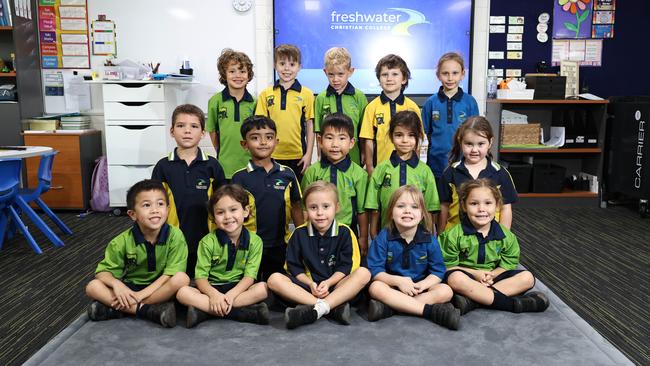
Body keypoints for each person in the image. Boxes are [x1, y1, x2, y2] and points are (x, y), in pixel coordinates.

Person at [85, 179, 189, 328]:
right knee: (93, 286)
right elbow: (103, 272)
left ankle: (120, 309)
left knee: (181, 279)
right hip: (130, 289)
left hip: (160, 289)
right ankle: (146, 311)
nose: (155, 210)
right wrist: (117, 285)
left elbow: (170, 275)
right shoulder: (121, 241)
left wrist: (140, 296)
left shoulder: (176, 236)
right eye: (147, 205)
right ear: (132, 214)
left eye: (160, 204)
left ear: (168, 209)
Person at [267, 181, 370, 329]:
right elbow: (293, 267)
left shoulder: (345, 232)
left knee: (363, 273)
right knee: (274, 279)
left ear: (337, 207)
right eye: (313, 207)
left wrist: (328, 283)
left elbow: (347, 266)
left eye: (326, 207)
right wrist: (310, 284)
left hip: (336, 286)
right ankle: (330, 308)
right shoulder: (299, 234)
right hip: (308, 288)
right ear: (306, 210)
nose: (320, 213)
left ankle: (316, 309)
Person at [439, 178, 549, 315]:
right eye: (474, 203)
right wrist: (476, 274)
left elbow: (508, 264)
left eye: (488, 203)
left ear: (497, 205)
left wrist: (491, 275)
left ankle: (473, 301)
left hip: (493, 278)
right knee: (455, 279)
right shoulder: (453, 235)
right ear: (464, 206)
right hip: (467, 278)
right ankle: (513, 304)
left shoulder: (506, 236)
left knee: (527, 278)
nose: (481, 209)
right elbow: (447, 266)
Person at [366, 185, 459, 330]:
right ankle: (429, 312)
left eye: (414, 207)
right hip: (394, 287)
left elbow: (437, 271)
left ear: (422, 214)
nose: (407, 211)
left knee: (446, 291)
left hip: (419, 288)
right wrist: (398, 281)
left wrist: (424, 285)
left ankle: (391, 308)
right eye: (401, 206)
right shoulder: (383, 237)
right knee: (375, 288)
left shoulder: (429, 239)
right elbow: (375, 271)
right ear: (391, 212)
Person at [176, 184, 269, 328]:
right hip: (211, 288)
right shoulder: (207, 242)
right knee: (182, 293)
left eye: (233, 210)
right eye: (220, 212)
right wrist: (214, 295)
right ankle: (240, 313)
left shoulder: (255, 241)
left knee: (263, 288)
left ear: (245, 211)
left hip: (238, 290)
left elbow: (249, 277)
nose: (228, 217)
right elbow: (200, 278)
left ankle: (205, 312)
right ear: (213, 217)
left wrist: (231, 295)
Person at [152, 104, 227, 278]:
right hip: (173, 239)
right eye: (181, 126)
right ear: (172, 131)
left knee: (205, 279)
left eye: (194, 126)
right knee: (175, 280)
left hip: (207, 239)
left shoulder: (212, 165)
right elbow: (154, 203)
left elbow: (223, 202)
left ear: (202, 133)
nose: (187, 131)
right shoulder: (163, 166)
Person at [232, 115, 304, 281]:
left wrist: (301, 237)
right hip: (248, 246)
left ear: (276, 142)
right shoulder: (239, 178)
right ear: (245, 144)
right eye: (255, 138)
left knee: (278, 284)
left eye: (269, 137)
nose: (263, 142)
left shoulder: (287, 173)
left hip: (280, 245)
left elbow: (296, 206)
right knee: (250, 284)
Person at [301, 113, 369, 256]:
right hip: (316, 231)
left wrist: (363, 238)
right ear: (319, 140)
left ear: (351, 143)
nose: (335, 144)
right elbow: (305, 209)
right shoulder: (312, 172)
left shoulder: (359, 174)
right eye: (329, 138)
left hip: (347, 232)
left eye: (342, 138)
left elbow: (362, 211)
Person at [365, 110, 439, 239]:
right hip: (387, 233)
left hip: (417, 235)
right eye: (399, 135)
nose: (405, 140)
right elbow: (374, 205)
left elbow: (431, 207)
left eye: (411, 135)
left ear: (418, 138)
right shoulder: (381, 169)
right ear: (391, 137)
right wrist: (372, 231)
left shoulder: (425, 171)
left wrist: (429, 232)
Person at [437, 116, 517, 233]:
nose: (474, 150)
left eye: (481, 144)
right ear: (460, 142)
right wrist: (441, 235)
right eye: (469, 144)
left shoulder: (500, 173)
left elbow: (505, 208)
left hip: (490, 239)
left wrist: (504, 238)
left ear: (490, 143)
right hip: (455, 240)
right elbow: (444, 207)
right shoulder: (450, 172)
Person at [255, 44, 315, 181]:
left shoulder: (307, 94)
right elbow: (261, 127)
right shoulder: (266, 94)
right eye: (282, 63)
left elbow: (310, 126)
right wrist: (263, 154)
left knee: (297, 199)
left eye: (292, 64)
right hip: (271, 155)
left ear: (299, 67)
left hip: (298, 157)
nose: (287, 68)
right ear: (275, 65)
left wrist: (309, 155)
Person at [359, 54, 421, 176]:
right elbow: (368, 141)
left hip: (407, 169)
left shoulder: (412, 107)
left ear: (404, 79)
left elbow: (417, 140)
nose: (389, 78)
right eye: (384, 74)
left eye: (394, 74)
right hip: (380, 170)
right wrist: (370, 168)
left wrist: (416, 167)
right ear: (379, 79)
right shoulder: (371, 107)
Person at [422, 52, 479, 179]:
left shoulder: (470, 102)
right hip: (436, 163)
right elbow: (424, 134)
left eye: (455, 73)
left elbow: (476, 133)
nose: (450, 78)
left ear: (462, 74)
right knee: (439, 198)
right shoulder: (431, 103)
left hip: (464, 162)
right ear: (438, 75)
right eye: (445, 73)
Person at [206, 48, 256, 179]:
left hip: (250, 167)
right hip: (225, 167)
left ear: (249, 75)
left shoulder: (255, 102)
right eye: (232, 71)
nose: (238, 75)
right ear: (224, 74)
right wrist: (221, 151)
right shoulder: (215, 101)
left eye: (242, 71)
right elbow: (212, 131)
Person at [314, 47, 368, 166]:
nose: (335, 79)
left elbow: (364, 131)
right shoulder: (321, 98)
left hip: (354, 156)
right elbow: (319, 132)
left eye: (340, 74)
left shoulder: (359, 97)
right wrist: (319, 156)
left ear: (350, 71)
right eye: (331, 74)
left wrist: (364, 152)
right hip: (328, 157)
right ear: (325, 72)